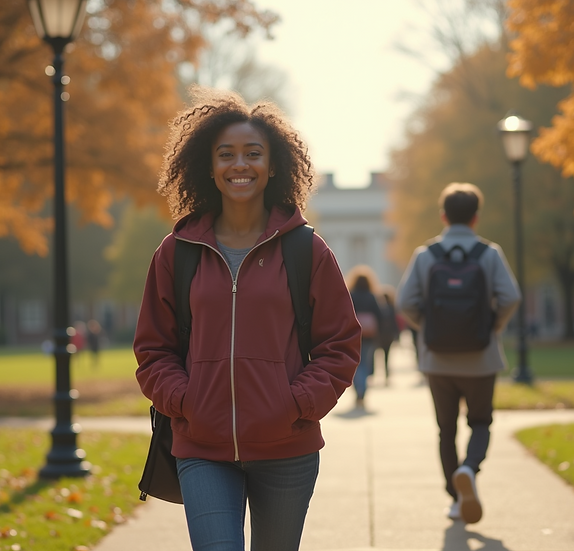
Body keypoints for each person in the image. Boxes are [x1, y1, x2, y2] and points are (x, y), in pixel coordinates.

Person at [133, 88, 362, 551]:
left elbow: (340, 345)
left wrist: (294, 404)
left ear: (273, 165)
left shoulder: (306, 250)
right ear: (209, 166)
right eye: (227, 155)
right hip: (202, 448)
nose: (240, 164)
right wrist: (187, 400)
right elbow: (152, 349)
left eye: (253, 154)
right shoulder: (176, 253)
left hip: (287, 450)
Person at [397, 182, 520, 525]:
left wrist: (429, 328)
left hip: (438, 359)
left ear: (443, 216)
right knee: (480, 422)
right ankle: (470, 468)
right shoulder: (489, 253)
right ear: (476, 218)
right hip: (481, 358)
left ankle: (455, 498)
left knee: (445, 430)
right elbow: (511, 297)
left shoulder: (426, 255)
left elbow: (405, 302)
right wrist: (490, 327)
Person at [346, 265, 382, 410]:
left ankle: (358, 390)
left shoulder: (350, 295)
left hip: (353, 335)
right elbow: (379, 315)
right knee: (366, 363)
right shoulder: (372, 296)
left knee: (355, 364)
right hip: (368, 336)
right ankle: (363, 392)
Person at [375, 285, 401, 385]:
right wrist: (397, 334)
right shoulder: (391, 308)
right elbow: (395, 322)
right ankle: (386, 373)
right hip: (389, 335)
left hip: (381, 335)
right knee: (387, 355)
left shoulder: (380, 308)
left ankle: (381, 373)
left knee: (379, 355)